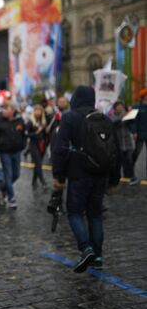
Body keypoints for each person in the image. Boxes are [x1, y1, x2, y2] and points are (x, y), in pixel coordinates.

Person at [52, 85, 115, 273]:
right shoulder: (104, 118)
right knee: (95, 214)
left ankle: (85, 248)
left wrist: (58, 175)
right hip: (101, 173)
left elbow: (60, 148)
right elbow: (114, 150)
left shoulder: (70, 117)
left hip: (78, 174)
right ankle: (98, 255)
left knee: (75, 213)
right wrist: (114, 179)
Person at [0, 100, 26, 208]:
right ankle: (11, 198)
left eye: (7, 109)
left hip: (17, 151)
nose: (5, 111)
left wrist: (22, 145)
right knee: (8, 175)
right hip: (5, 152)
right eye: (4, 108)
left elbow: (23, 133)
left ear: (13, 110)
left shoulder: (19, 120)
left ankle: (3, 188)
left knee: (16, 174)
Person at [26, 104, 48, 190]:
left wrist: (45, 131)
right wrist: (36, 133)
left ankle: (34, 180)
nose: (38, 112)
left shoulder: (43, 121)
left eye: (39, 111)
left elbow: (45, 134)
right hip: (33, 144)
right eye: (36, 110)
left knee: (37, 164)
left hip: (41, 145)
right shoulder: (30, 122)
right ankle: (43, 182)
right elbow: (27, 134)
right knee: (38, 163)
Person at [131, 88, 147, 185]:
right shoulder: (137, 107)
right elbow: (133, 121)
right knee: (136, 152)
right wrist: (134, 132)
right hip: (140, 134)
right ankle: (130, 169)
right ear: (144, 96)